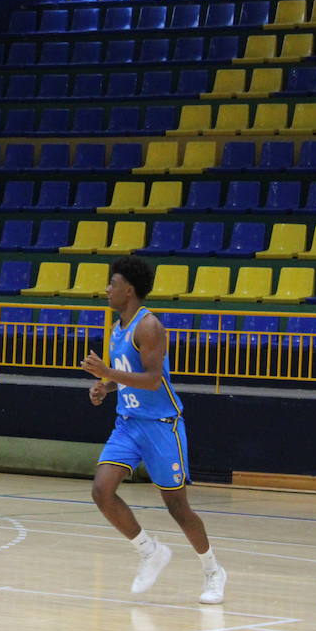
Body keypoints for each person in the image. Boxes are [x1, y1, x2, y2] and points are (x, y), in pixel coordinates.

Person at [81, 256, 227, 605]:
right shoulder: (118, 326)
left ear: (128, 289)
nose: (107, 290)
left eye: (112, 284)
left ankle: (213, 570)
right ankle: (150, 551)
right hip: (128, 424)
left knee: (176, 506)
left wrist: (108, 373)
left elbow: (152, 380)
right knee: (102, 491)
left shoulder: (149, 327)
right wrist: (106, 386)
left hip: (161, 426)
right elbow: (127, 373)